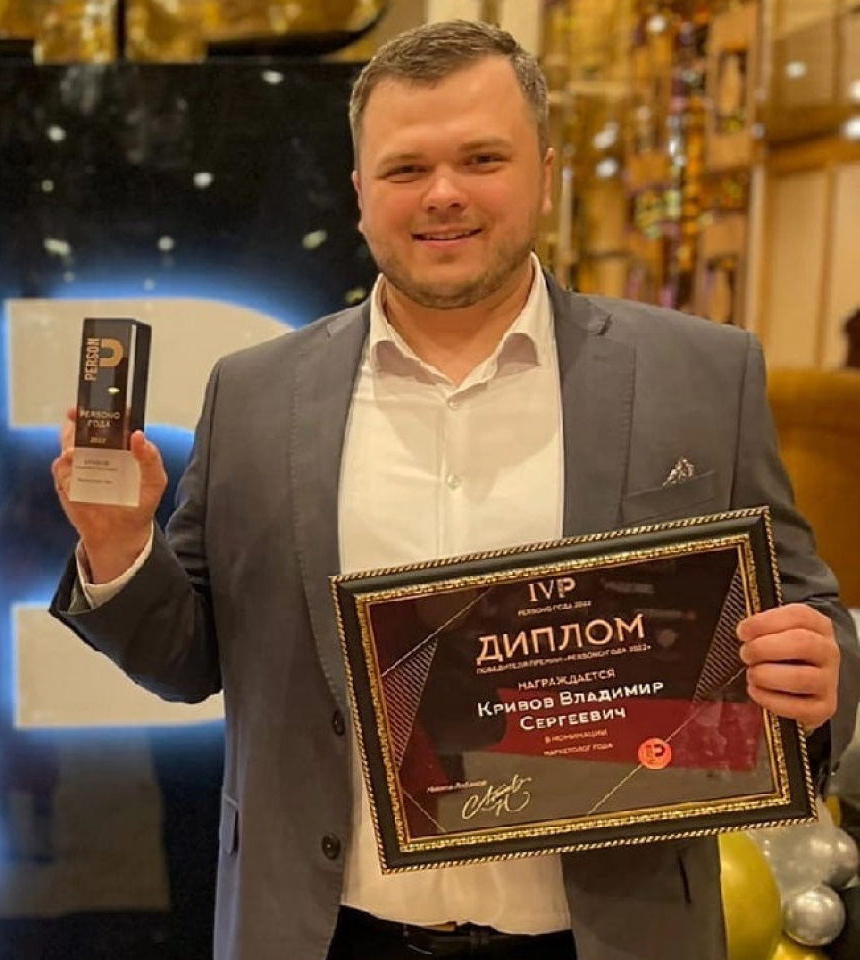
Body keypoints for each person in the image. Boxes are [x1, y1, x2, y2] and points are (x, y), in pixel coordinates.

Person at [47, 19, 859, 960]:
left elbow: (807, 613)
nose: (443, 194)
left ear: (544, 174)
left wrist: (821, 670)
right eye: (406, 168)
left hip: (605, 935)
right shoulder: (256, 393)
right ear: (361, 193)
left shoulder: (701, 374)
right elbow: (186, 659)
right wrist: (118, 546)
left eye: (482, 158)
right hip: (326, 934)